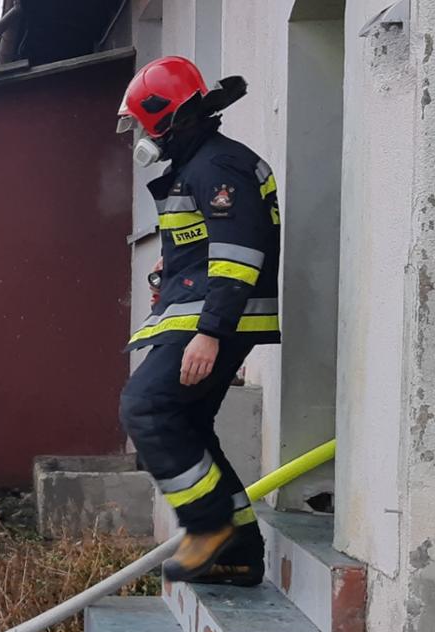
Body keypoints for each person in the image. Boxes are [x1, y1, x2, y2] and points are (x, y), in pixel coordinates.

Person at [116, 56, 281, 587]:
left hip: (213, 319)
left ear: (164, 117)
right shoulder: (200, 164)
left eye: (142, 122)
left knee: (148, 407)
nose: (139, 134)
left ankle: (207, 527)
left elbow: (239, 251)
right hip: (202, 309)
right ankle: (238, 553)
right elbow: (209, 241)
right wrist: (173, 264)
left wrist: (210, 332)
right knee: (187, 425)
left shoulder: (217, 166)